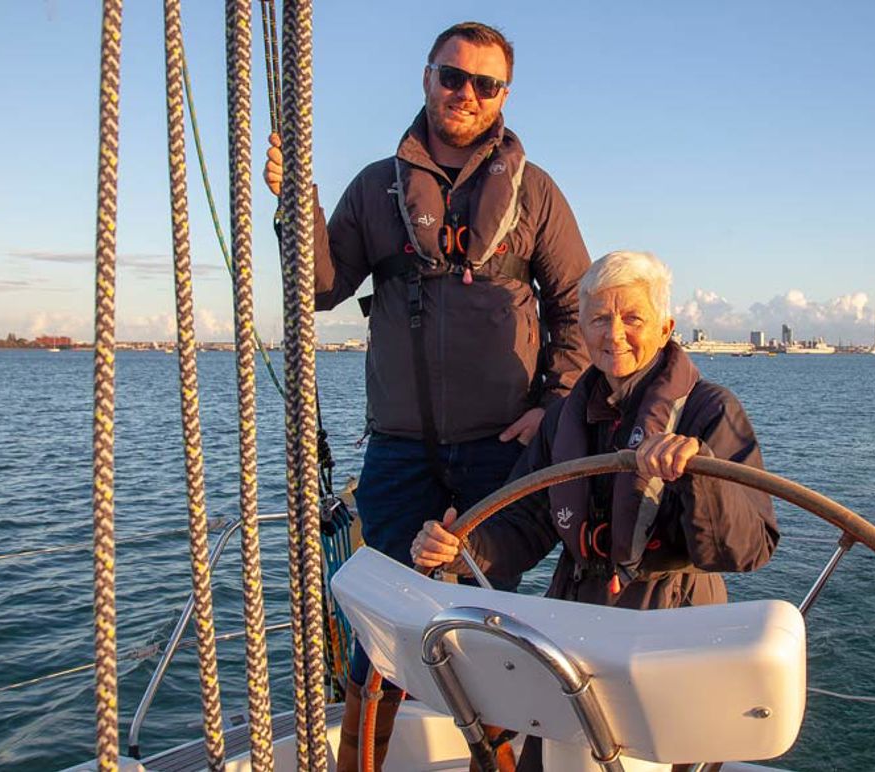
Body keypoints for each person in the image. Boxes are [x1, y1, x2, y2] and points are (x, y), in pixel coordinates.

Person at [266, 21, 591, 771]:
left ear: (504, 95)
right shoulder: (376, 189)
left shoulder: (535, 195)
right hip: (399, 453)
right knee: (379, 631)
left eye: (486, 84)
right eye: (454, 77)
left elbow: (574, 305)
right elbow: (319, 287)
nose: (466, 95)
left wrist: (553, 403)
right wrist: (295, 201)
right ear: (426, 77)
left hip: (500, 453)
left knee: (490, 631)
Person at [412, 250, 780, 770]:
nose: (615, 335)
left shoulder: (711, 411)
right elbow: (525, 524)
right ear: (581, 328)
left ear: (665, 326)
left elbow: (749, 549)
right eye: (600, 319)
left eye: (633, 318)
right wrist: (462, 548)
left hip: (675, 622)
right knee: (557, 755)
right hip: (574, 620)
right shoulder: (563, 418)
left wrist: (702, 475)